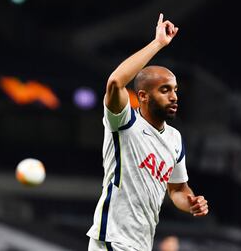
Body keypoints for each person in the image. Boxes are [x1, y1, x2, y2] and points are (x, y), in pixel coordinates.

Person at [87, 13, 209, 251]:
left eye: (174, 89)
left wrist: (191, 202)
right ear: (143, 96)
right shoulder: (124, 122)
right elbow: (115, 83)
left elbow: (177, 189)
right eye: (165, 90)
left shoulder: (174, 139)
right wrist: (158, 44)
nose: (174, 96)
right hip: (112, 240)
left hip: (140, 243)